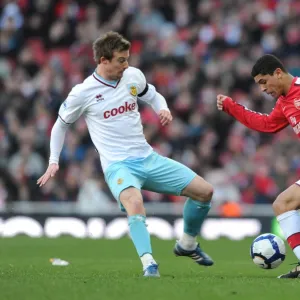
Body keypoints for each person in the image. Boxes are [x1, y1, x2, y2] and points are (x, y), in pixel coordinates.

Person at [37, 31, 214, 277]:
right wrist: (53, 161)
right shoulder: (83, 92)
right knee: (134, 201)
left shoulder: (132, 76)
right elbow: (60, 125)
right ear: (103, 61)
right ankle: (149, 263)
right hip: (118, 165)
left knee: (205, 192)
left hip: (148, 158)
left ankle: (187, 244)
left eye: (127, 58)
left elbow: (152, 95)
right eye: (121, 59)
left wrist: (162, 108)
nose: (126, 64)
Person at [217, 54, 300, 279]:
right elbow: (265, 124)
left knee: (285, 203)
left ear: (278, 73)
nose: (262, 89)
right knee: (283, 205)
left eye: (264, 82)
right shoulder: (284, 103)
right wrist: (231, 107)